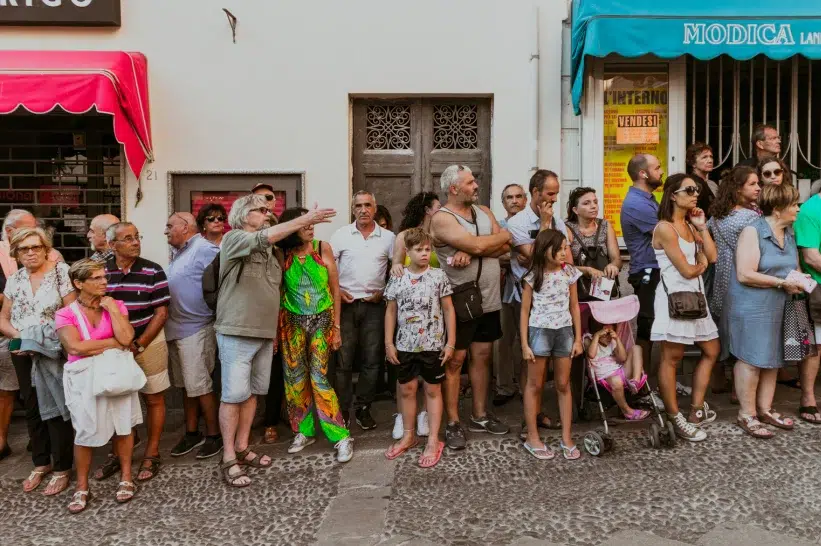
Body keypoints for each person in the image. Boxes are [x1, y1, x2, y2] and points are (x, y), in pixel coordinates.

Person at [215, 195, 336, 487]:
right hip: (236, 330)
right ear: (244, 215)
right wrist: (306, 218)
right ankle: (229, 456)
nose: (268, 214)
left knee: (253, 392)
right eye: (261, 210)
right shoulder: (233, 239)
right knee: (233, 396)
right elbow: (267, 235)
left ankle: (244, 446)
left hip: (264, 334)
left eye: (270, 211)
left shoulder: (272, 252)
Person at [430, 165, 512, 450]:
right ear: (454, 189)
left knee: (483, 355)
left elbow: (506, 245)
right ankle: (452, 422)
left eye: (475, 180)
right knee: (455, 361)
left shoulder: (485, 212)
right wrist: (480, 245)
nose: (476, 185)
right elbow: (496, 241)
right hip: (459, 302)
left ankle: (479, 414)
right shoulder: (442, 219)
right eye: (470, 182)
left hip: (489, 298)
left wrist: (474, 246)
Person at [56, 259, 141, 513]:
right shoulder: (66, 313)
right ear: (78, 283)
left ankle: (127, 477)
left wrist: (113, 311)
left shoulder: (116, 305)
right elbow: (74, 347)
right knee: (84, 431)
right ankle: (82, 486)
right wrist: (112, 344)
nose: (104, 281)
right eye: (96, 278)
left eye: (104, 277)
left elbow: (127, 338)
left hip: (116, 375)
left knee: (123, 425)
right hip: (84, 379)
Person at [724, 184, 806, 438]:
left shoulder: (789, 233)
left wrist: (800, 282)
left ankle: (765, 409)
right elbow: (745, 273)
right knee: (750, 359)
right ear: (779, 208)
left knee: (773, 358)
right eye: (794, 204)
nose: (798, 208)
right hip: (751, 305)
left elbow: (793, 268)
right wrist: (782, 283)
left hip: (779, 305)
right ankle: (746, 414)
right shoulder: (753, 231)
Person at [0, 227, 75, 495]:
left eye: (36, 247)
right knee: (31, 406)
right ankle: (40, 462)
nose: (31, 252)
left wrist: (40, 341)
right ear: (16, 254)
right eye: (24, 249)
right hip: (21, 349)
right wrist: (21, 338)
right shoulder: (14, 279)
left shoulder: (61, 273)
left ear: (46, 249)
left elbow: (71, 313)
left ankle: (62, 467)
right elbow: (3, 318)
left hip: (52, 349)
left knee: (57, 407)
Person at [276, 207, 353, 461]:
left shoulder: (322, 248)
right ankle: (304, 431)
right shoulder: (282, 253)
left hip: (322, 320)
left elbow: (335, 289)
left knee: (319, 378)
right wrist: (277, 333)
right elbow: (277, 293)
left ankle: (341, 436)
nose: (311, 227)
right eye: (305, 223)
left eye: (312, 223)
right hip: (292, 322)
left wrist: (337, 327)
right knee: (295, 379)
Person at [98, 222, 171, 484]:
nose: (135, 242)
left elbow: (161, 313)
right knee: (117, 401)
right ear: (112, 245)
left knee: (154, 397)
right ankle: (120, 452)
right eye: (127, 238)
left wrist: (139, 343)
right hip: (112, 347)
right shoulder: (101, 272)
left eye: (137, 237)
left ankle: (151, 452)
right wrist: (116, 343)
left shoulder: (153, 269)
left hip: (148, 341)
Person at [651, 174, 720, 442]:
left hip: (694, 296)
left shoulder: (691, 226)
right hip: (675, 298)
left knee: (712, 349)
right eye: (689, 190)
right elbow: (689, 269)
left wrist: (702, 228)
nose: (695, 194)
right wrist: (700, 263)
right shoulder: (665, 228)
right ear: (672, 195)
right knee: (672, 357)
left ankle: (695, 409)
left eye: (697, 190)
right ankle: (674, 416)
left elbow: (711, 257)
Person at [384, 228, 454, 467]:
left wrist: (451, 342)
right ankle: (409, 434)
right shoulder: (398, 277)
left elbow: (448, 309)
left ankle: (433, 439)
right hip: (405, 344)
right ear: (407, 252)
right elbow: (391, 310)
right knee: (407, 389)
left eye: (427, 249)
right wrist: (389, 343)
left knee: (433, 390)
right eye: (419, 250)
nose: (424, 254)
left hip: (433, 344)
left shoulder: (438, 276)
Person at [507, 169, 571, 432]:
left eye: (556, 193)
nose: (554, 199)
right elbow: (536, 260)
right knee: (530, 359)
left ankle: (538, 413)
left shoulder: (558, 221)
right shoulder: (518, 223)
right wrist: (545, 227)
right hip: (528, 298)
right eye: (550, 193)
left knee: (547, 363)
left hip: (556, 302)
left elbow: (565, 256)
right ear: (535, 192)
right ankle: (529, 418)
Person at [329, 191, 395, 430]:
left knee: (372, 361)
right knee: (343, 362)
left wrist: (385, 291)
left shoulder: (388, 238)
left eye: (368, 205)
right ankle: (343, 410)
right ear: (353, 208)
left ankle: (363, 408)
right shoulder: (341, 235)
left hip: (374, 306)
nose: (363, 209)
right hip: (345, 305)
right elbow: (328, 269)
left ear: (375, 208)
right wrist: (337, 292)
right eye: (359, 205)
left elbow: (396, 270)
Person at [520, 229, 583, 460]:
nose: (565, 252)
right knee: (534, 385)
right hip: (539, 332)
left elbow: (575, 306)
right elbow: (524, 311)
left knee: (563, 384)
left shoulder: (570, 273)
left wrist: (578, 338)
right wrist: (525, 344)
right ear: (546, 249)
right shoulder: (532, 276)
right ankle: (532, 437)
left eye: (566, 248)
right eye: (560, 248)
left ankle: (567, 437)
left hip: (564, 331)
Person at [164, 213, 223, 459]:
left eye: (169, 226)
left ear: (185, 227)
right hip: (177, 329)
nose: (166, 231)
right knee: (186, 387)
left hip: (197, 328)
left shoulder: (204, 248)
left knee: (200, 385)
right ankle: (191, 432)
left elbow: (224, 279)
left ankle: (214, 435)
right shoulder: (181, 252)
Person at [388, 191, 442, 439]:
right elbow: (397, 266)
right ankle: (402, 415)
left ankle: (423, 414)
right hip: (408, 308)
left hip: (432, 308)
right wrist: (397, 265)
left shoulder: (438, 235)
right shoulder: (404, 236)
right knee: (406, 373)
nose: (440, 212)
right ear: (427, 210)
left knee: (429, 375)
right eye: (437, 208)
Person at [706, 166, 761, 394]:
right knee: (744, 339)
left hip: (721, 279)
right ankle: (743, 392)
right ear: (738, 189)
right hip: (744, 279)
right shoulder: (750, 217)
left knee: (722, 331)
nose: (759, 187)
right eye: (753, 184)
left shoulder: (717, 216)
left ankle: (719, 379)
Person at [620, 154, 663, 381]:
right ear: (643, 174)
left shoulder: (648, 199)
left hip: (655, 269)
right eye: (657, 167)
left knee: (657, 328)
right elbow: (666, 234)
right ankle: (641, 383)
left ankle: (653, 382)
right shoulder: (637, 203)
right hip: (647, 271)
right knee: (647, 328)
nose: (661, 171)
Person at [494, 183, 527, 406]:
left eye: (518, 196)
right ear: (503, 202)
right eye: (509, 197)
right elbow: (494, 255)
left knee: (528, 340)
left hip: (530, 290)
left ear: (525, 199)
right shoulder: (498, 227)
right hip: (503, 290)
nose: (514, 201)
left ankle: (528, 387)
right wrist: (515, 256)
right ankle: (504, 386)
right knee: (503, 340)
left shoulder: (531, 224)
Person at [791, 188, 821, 424]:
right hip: (818, 287)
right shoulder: (811, 210)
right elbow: (811, 257)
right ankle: (808, 399)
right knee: (816, 348)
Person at [564, 187, 622, 300]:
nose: (593, 206)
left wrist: (613, 265)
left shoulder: (605, 225)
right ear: (575, 210)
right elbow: (564, 267)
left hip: (603, 289)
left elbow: (617, 259)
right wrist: (587, 270)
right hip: (577, 290)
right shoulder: (567, 229)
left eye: (595, 202)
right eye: (586, 203)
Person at [585, 320, 648, 421]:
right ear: (597, 331)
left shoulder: (612, 341)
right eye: (606, 334)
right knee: (616, 381)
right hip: (605, 376)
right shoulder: (589, 339)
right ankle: (627, 411)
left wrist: (617, 339)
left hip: (620, 371)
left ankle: (635, 382)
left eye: (611, 333)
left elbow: (623, 358)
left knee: (636, 348)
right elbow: (591, 355)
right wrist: (596, 336)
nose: (609, 337)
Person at [0, 210, 63, 279]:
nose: (33, 232)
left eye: (35, 228)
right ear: (9, 231)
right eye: (26, 229)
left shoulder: (53, 254)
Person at [686, 142, 718, 216]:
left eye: (711, 156)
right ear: (693, 163)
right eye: (704, 157)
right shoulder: (692, 183)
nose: (710, 160)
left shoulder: (708, 183)